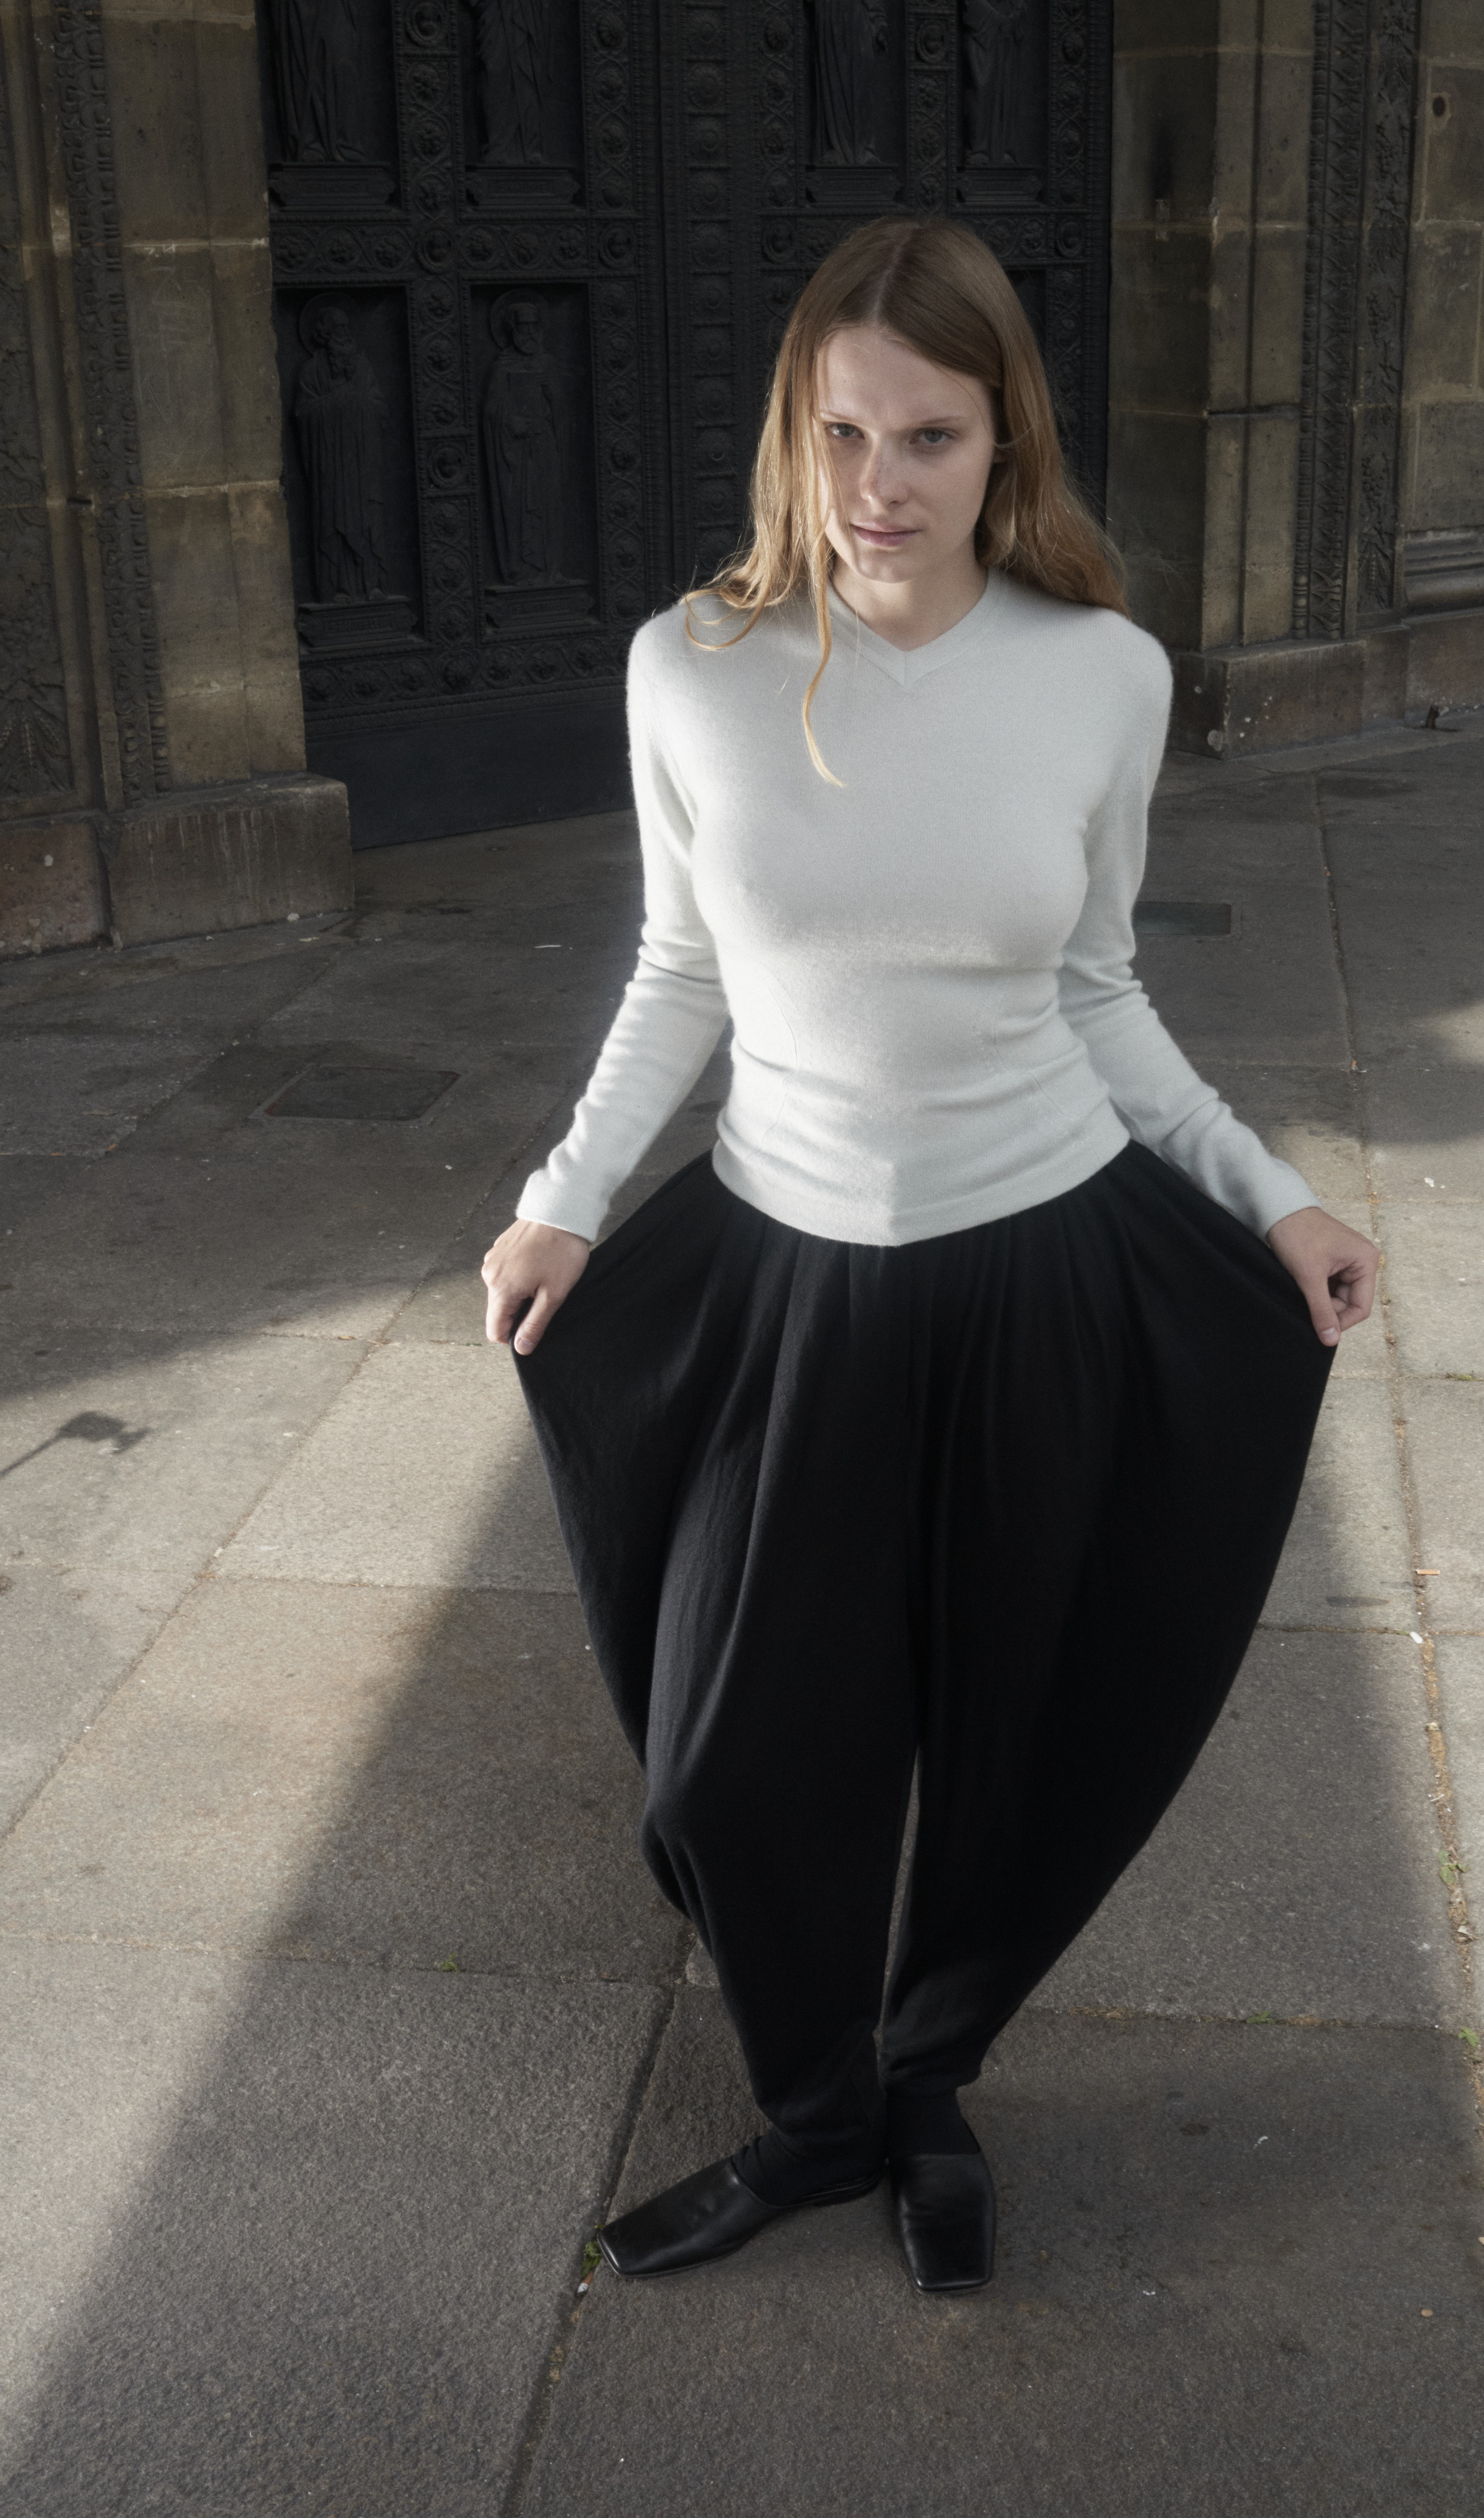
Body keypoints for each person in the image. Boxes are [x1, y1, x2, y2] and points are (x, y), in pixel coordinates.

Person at [482, 216, 1378, 2296]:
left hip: (1045, 1267)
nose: (876, 484)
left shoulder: (1105, 676)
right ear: (792, 433)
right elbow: (680, 970)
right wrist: (566, 1193)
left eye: (930, 437)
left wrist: (1273, 1194)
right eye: (840, 432)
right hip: (787, 1278)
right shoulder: (690, 665)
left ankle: (924, 2078)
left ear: (1006, 444)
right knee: (731, 1761)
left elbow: (1098, 986)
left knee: (1020, 1735)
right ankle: (811, 2117)